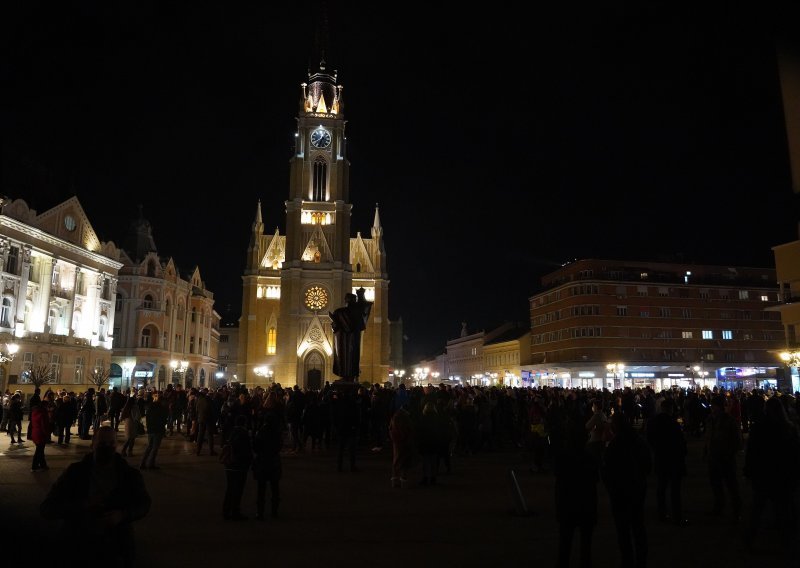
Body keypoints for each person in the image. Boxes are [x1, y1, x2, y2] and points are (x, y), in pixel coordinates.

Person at [40, 425, 151, 567]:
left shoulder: (128, 474)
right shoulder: (75, 473)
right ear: (93, 444)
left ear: (116, 444)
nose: (107, 447)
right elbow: (47, 508)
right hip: (79, 546)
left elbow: (144, 503)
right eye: (102, 443)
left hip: (116, 548)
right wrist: (82, 505)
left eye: (111, 443)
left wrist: (122, 515)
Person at [601, 412, 652, 568]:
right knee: (638, 526)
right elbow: (648, 465)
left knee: (623, 530)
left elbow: (606, 472)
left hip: (620, 493)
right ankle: (641, 559)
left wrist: (611, 488)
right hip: (637, 488)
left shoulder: (614, 445)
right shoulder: (638, 441)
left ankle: (627, 560)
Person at [646, 398, 688, 526]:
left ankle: (662, 513)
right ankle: (677, 516)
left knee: (661, 488)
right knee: (675, 490)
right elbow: (681, 443)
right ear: (670, 409)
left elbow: (649, 439)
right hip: (674, 459)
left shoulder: (653, 422)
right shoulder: (673, 423)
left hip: (660, 458)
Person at [703, 394, 742, 520]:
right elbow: (708, 438)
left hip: (726, 457)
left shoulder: (728, 420)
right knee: (716, 485)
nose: (712, 409)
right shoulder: (710, 419)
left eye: (714, 406)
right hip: (713, 457)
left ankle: (736, 511)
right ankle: (719, 507)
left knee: (731, 485)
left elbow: (737, 441)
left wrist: (729, 451)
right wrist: (707, 451)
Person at [329, 287, 372, 381]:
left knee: (344, 357)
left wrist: (334, 322)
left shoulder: (339, 312)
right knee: (352, 357)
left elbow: (335, 327)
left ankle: (345, 376)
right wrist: (361, 296)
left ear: (346, 300)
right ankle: (350, 376)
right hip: (352, 340)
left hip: (343, 341)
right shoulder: (355, 312)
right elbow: (365, 311)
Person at [252, 392, 283, 520]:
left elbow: (255, 447)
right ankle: (274, 512)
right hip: (274, 462)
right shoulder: (276, 433)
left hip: (262, 463)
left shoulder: (261, 432)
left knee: (261, 489)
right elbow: (279, 446)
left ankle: (260, 512)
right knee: (275, 489)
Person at [223, 414, 253, 520]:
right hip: (239, 465)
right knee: (238, 489)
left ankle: (226, 511)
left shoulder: (231, 432)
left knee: (230, 488)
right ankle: (235, 511)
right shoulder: (244, 434)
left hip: (229, 464)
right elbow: (247, 450)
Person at [389, 404, 416, 488]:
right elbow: (410, 429)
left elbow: (390, 429)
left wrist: (393, 438)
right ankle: (403, 481)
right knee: (404, 462)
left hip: (396, 442)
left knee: (396, 461)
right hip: (405, 442)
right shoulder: (406, 418)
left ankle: (394, 480)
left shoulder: (394, 417)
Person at [139, 391, 168, 470]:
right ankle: (150, 464)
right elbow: (164, 420)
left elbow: (147, 419)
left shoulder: (150, 407)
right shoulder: (161, 409)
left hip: (151, 429)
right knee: (155, 448)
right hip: (158, 430)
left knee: (149, 447)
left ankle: (143, 463)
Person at [30, 394, 51, 472]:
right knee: (39, 451)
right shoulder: (43, 414)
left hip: (35, 432)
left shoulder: (34, 412)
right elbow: (44, 425)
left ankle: (43, 465)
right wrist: (47, 434)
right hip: (41, 434)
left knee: (40, 451)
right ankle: (34, 467)